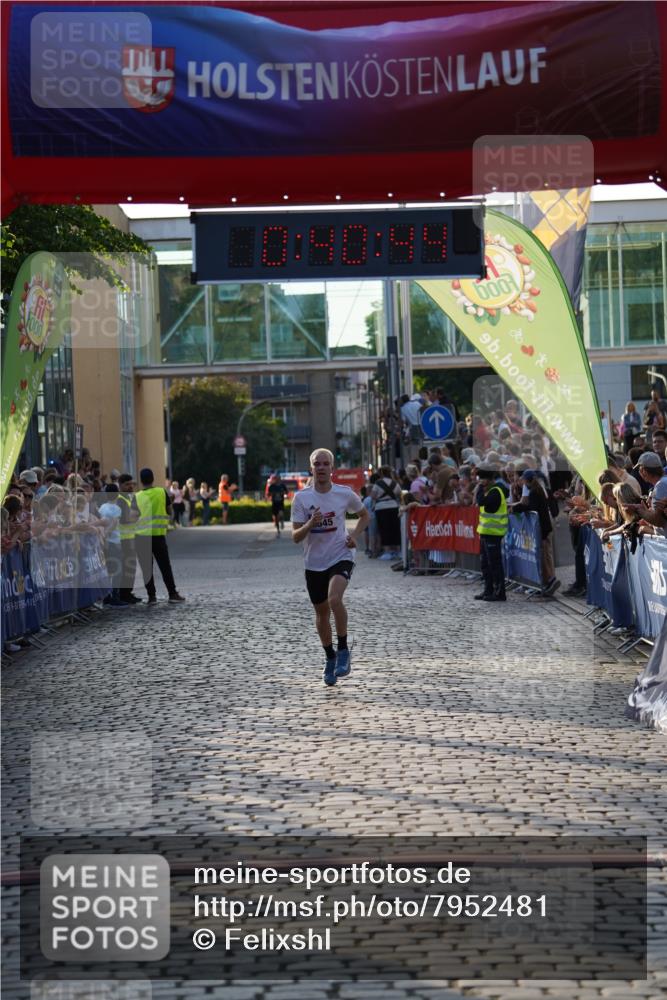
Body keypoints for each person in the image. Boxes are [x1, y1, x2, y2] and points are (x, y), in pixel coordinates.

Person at [291, 448, 369, 687]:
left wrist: (354, 535)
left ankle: (344, 649)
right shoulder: (301, 498)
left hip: (340, 554)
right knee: (321, 613)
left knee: (335, 599)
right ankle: (330, 657)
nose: (322, 467)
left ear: (332, 468)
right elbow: (295, 536)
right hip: (314, 562)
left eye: (326, 463)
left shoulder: (344, 493)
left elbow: (364, 515)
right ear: (311, 468)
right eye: (317, 464)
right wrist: (310, 524)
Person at [135, 468, 186, 604]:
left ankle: (152, 597)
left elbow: (133, 516)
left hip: (141, 537)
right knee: (165, 566)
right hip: (158, 536)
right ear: (153, 478)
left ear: (141, 480)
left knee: (147, 568)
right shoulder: (161, 492)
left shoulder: (137, 496)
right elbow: (169, 512)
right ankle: (172, 594)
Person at [474, 461, 509, 602]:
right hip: (485, 532)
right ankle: (488, 590)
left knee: (494, 564)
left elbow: (482, 503)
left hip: (493, 534)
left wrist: (479, 490)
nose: (480, 482)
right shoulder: (490, 490)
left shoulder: (495, 491)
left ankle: (499, 592)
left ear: (487, 479)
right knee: (485, 564)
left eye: (481, 479)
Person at [117, 473, 142, 604]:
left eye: (131, 484)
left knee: (131, 566)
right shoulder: (120, 499)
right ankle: (123, 594)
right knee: (126, 567)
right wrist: (133, 515)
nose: (130, 486)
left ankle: (128, 592)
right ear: (120, 485)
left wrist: (133, 515)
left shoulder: (131, 498)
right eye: (127, 484)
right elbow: (125, 519)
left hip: (132, 536)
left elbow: (138, 514)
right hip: (123, 539)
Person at [371, 465, 402, 560]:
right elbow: (399, 494)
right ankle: (397, 550)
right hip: (393, 507)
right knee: (395, 529)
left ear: (381, 473)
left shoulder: (378, 483)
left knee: (384, 529)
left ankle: (387, 551)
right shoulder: (395, 483)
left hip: (381, 508)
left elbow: (373, 496)